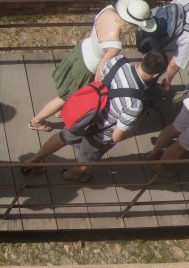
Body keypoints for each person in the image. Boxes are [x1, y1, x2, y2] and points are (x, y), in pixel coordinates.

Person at [19, 53, 167, 183]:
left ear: (144, 57)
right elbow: (117, 137)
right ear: (155, 75)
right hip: (100, 134)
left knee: (63, 137)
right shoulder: (135, 103)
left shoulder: (119, 61)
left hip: (83, 115)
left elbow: (99, 77)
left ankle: (33, 161)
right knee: (86, 159)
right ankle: (71, 175)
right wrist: (136, 123)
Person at [30, 0, 157, 132]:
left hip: (80, 52)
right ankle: (36, 121)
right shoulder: (115, 45)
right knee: (63, 97)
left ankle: (61, 111)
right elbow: (100, 69)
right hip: (86, 68)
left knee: (67, 93)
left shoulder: (107, 10)